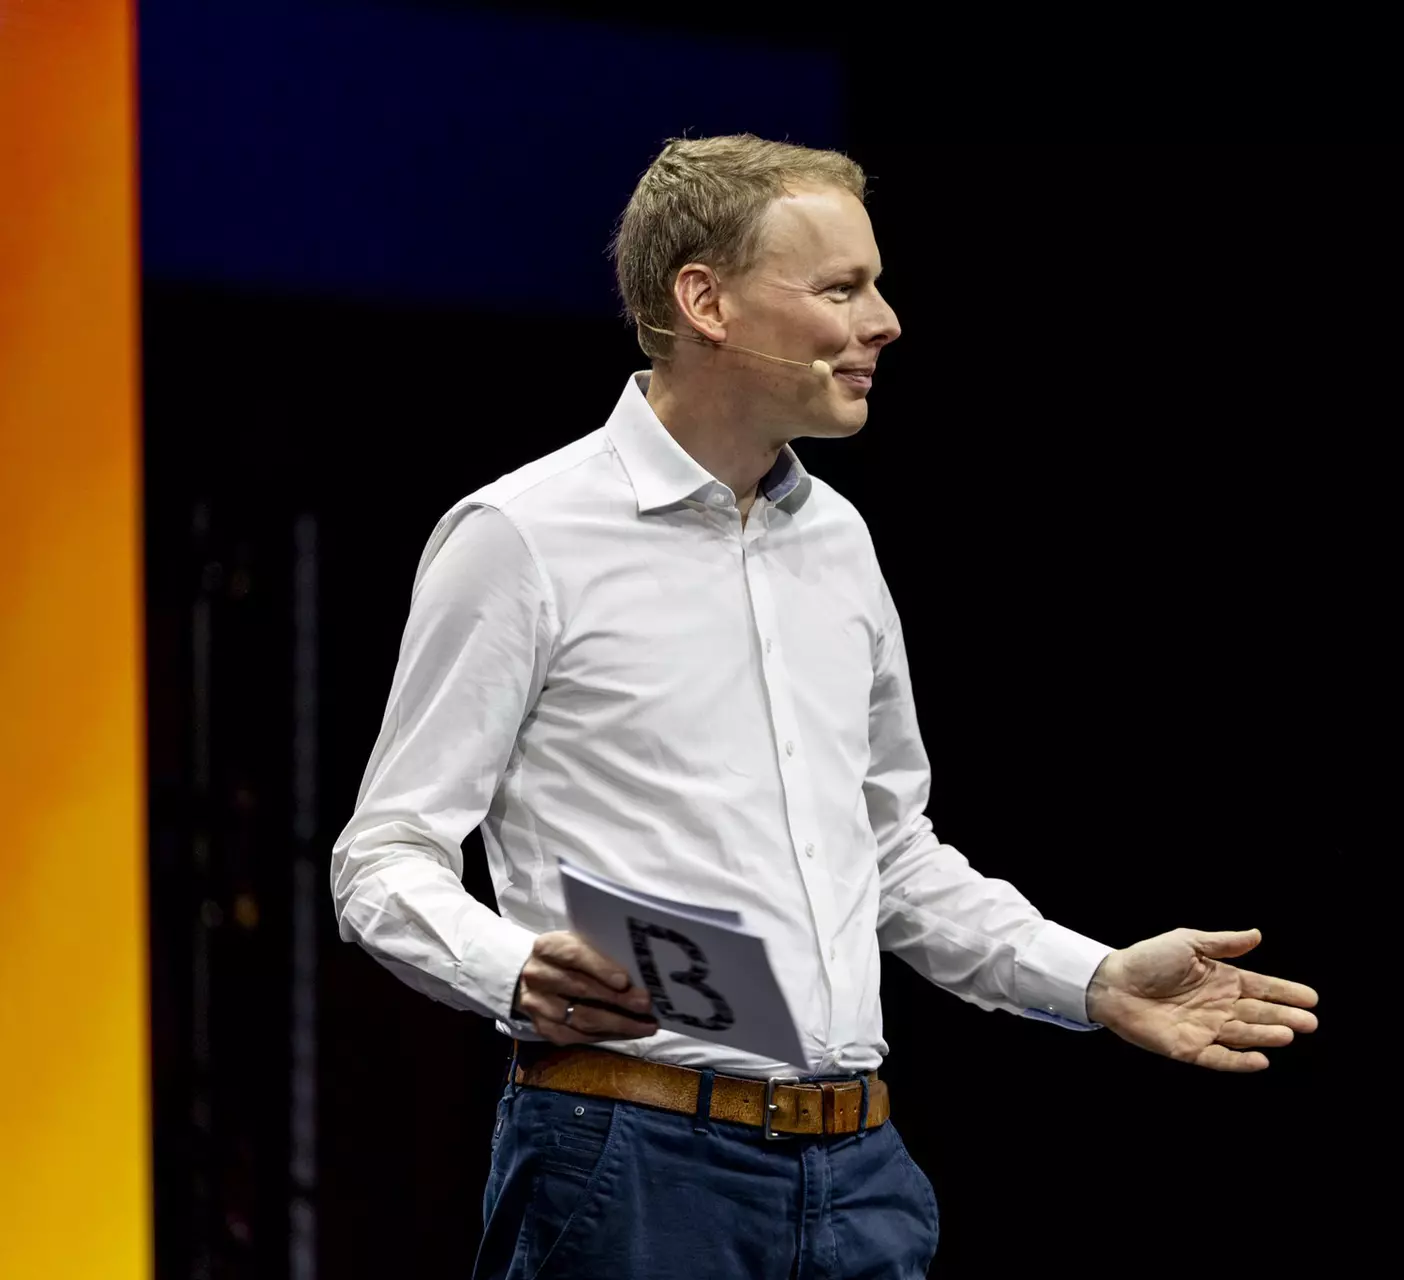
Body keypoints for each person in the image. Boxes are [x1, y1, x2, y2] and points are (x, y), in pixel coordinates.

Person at [331, 134, 1320, 1280]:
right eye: (842, 288)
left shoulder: (838, 538)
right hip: (632, 1163)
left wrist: (1091, 979)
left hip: (862, 1174)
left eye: (876, 282)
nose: (886, 319)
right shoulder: (522, 535)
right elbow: (383, 855)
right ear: (704, 299)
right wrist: (508, 963)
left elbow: (892, 852)